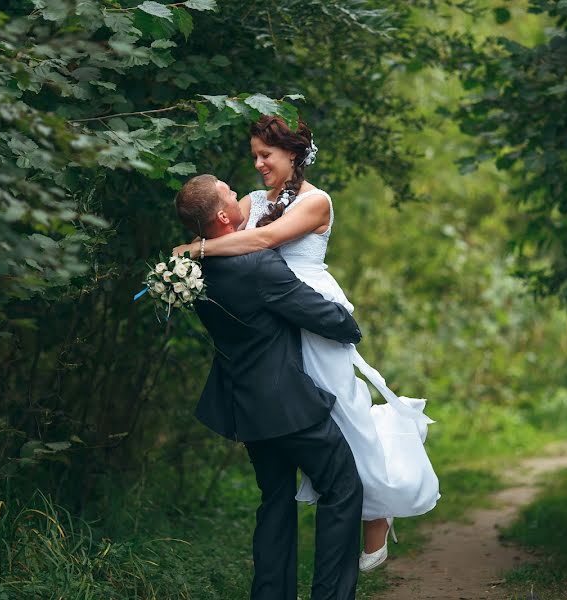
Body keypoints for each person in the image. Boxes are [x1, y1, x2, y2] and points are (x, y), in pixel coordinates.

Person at [173, 116, 439, 572]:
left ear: (292, 155)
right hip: (276, 322)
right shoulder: (255, 201)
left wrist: (197, 248)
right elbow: (238, 244)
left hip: (312, 314)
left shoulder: (317, 202)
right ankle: (355, 513)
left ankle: (378, 508)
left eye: (265, 155)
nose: (257, 164)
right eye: (254, 155)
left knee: (347, 414)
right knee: (317, 432)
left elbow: (265, 240)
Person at [176, 174, 364, 600]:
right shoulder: (256, 266)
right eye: (228, 191)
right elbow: (315, 312)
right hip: (288, 405)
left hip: (246, 407)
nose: (238, 191)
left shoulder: (193, 270)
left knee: (275, 501)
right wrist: (350, 326)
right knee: (343, 486)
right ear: (223, 215)